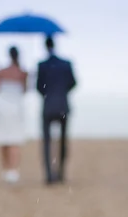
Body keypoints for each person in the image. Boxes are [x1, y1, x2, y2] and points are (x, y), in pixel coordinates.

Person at [36, 36, 77, 184]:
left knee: (47, 142)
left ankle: (49, 174)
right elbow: (73, 83)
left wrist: (49, 95)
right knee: (63, 140)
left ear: (45, 47)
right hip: (62, 106)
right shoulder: (66, 64)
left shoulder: (42, 65)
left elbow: (39, 87)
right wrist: (61, 93)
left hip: (48, 107)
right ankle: (61, 173)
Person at [0, 47, 28, 183]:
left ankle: (6, 168)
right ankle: (13, 170)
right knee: (14, 140)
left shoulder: (1, 72)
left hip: (3, 107)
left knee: (3, 139)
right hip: (16, 108)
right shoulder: (22, 73)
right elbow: (25, 90)